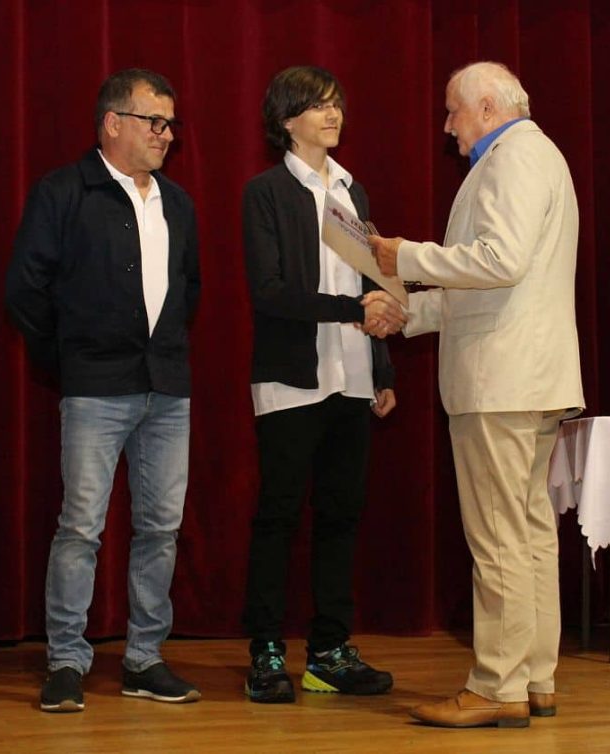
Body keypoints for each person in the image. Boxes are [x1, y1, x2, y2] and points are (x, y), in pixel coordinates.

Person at [370, 61, 584, 729]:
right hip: (527, 375)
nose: (447, 126)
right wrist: (410, 313)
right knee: (527, 535)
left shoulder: (513, 158)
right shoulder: (531, 156)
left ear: (487, 107)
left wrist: (406, 257)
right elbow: (495, 288)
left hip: (501, 380)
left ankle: (496, 685)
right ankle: (535, 677)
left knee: (498, 537)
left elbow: (499, 262)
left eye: (453, 111)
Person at [5, 68, 202, 713]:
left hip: (166, 389)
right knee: (81, 527)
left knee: (161, 529)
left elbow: (189, 289)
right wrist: (69, 359)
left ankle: (144, 659)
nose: (166, 134)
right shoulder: (64, 191)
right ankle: (66, 660)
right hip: (94, 387)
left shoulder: (177, 202)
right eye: (154, 121)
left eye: (170, 123)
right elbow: (25, 289)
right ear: (113, 123)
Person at [240, 65, 404, 704]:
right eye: (318, 105)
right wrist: (352, 311)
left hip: (353, 378)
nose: (334, 114)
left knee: (341, 516)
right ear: (287, 119)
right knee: (278, 516)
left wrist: (382, 369)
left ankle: (329, 652)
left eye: (337, 103)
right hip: (291, 382)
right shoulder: (266, 192)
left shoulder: (350, 189)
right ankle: (266, 652)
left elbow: (370, 282)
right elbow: (270, 291)